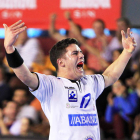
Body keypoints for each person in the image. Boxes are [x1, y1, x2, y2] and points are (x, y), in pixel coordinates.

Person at [3, 20, 136, 140]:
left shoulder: (89, 82)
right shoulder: (51, 85)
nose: (81, 55)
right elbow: (25, 76)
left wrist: (127, 52)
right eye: (75, 53)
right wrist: (10, 49)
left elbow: (111, 75)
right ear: (61, 62)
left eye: (80, 52)